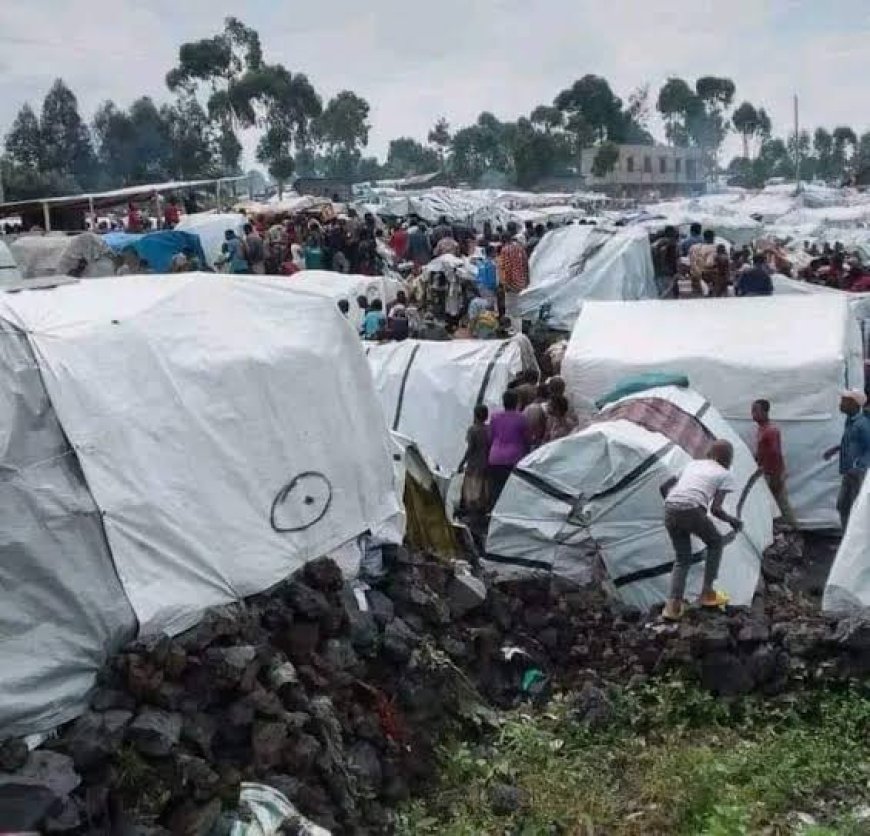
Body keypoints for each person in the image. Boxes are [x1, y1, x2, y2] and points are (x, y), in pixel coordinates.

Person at [661, 440, 743, 621]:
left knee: (682, 558)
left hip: (670, 507)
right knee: (715, 542)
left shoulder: (693, 464)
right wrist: (733, 521)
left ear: (711, 453)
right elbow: (716, 509)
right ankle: (707, 592)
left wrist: (674, 504)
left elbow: (664, 487)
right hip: (692, 509)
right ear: (727, 458)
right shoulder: (724, 474)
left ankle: (673, 605)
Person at [824, 390, 870, 530]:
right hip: (849, 472)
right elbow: (851, 442)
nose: (840, 404)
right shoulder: (850, 422)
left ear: (853, 404)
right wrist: (836, 449)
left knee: (856, 509)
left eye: (844, 401)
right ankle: (847, 537)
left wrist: (859, 466)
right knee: (843, 505)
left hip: (858, 473)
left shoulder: (862, 424)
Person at [751, 399, 797, 528]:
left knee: (781, 502)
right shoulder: (762, 429)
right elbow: (763, 451)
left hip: (773, 473)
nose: (753, 414)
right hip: (767, 472)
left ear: (765, 412)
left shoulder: (770, 431)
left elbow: (775, 453)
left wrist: (776, 477)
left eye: (756, 410)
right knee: (773, 502)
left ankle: (793, 528)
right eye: (752, 410)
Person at [488, 389, 530, 507]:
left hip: (495, 457)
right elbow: (526, 439)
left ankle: (493, 512)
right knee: (511, 490)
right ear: (516, 402)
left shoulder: (495, 417)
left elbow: (491, 436)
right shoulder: (521, 418)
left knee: (496, 488)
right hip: (513, 458)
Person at [459, 404, 492, 535]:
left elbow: (470, 448)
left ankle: (472, 518)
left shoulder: (473, 430)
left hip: (474, 465)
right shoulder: (489, 430)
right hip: (486, 464)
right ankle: (481, 516)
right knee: (483, 490)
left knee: (472, 491)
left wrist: (461, 463)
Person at [498, 232, 530, 326]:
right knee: (520, 306)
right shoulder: (520, 248)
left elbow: (505, 268)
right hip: (522, 282)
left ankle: (514, 329)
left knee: (511, 308)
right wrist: (527, 280)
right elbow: (526, 264)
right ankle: (520, 327)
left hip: (511, 284)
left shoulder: (505, 250)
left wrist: (505, 283)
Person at [688, 229, 717, 296]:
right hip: (707, 277)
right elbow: (709, 263)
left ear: (704, 237)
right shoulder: (714, 248)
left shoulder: (693, 247)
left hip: (694, 275)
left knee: (696, 297)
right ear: (713, 237)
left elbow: (690, 260)